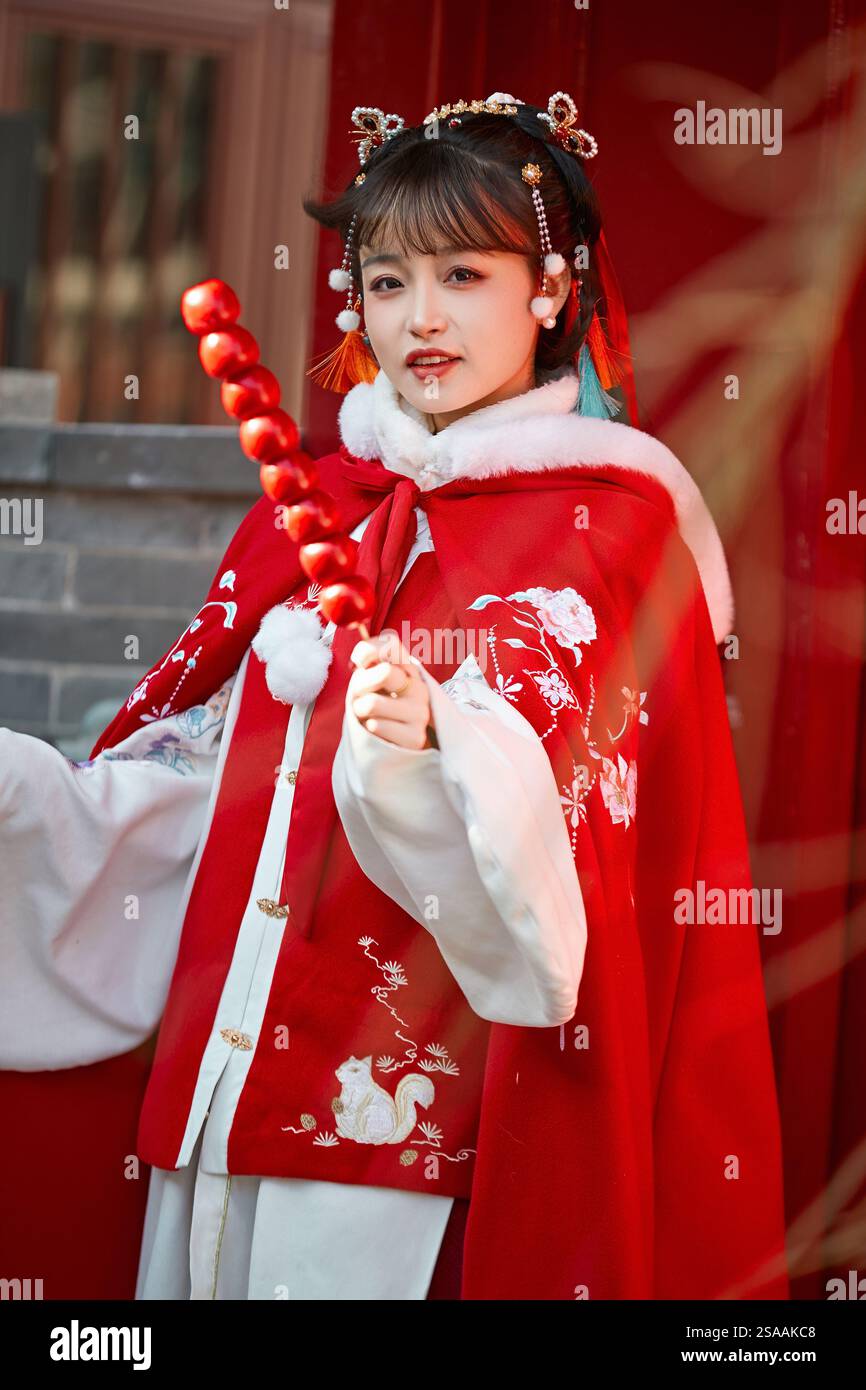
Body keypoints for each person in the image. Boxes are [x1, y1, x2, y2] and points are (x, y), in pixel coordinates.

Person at [0, 90, 789, 1300]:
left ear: (549, 292)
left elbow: (582, 871)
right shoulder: (312, 509)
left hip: (413, 1124)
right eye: (383, 281)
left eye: (462, 275)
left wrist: (440, 745)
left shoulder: (613, 532)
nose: (417, 319)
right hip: (221, 1095)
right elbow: (196, 802)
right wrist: (27, 796)